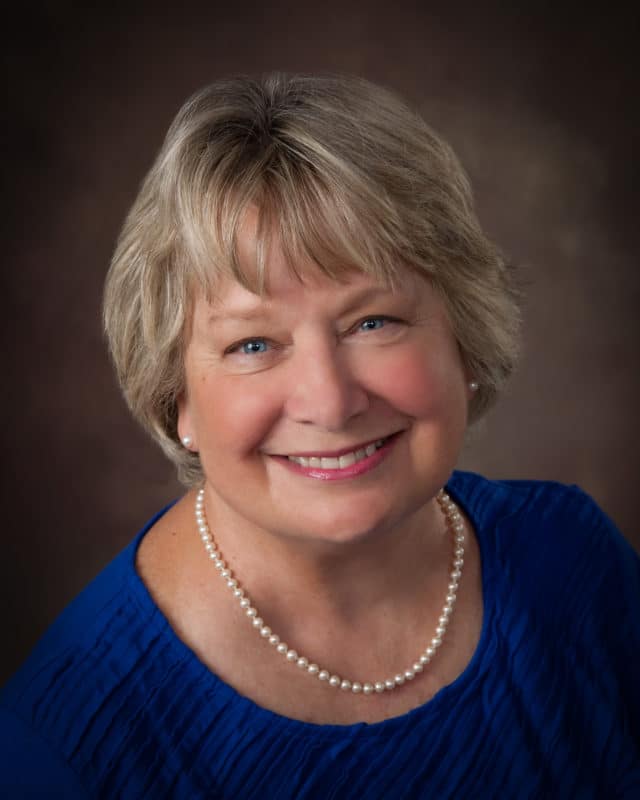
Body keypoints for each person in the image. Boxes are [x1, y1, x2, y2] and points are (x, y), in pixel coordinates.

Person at [1, 72, 638, 799]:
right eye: (252, 345)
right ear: (177, 398)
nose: (329, 401)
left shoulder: (575, 562)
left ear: (462, 333)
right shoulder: (63, 746)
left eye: (373, 323)